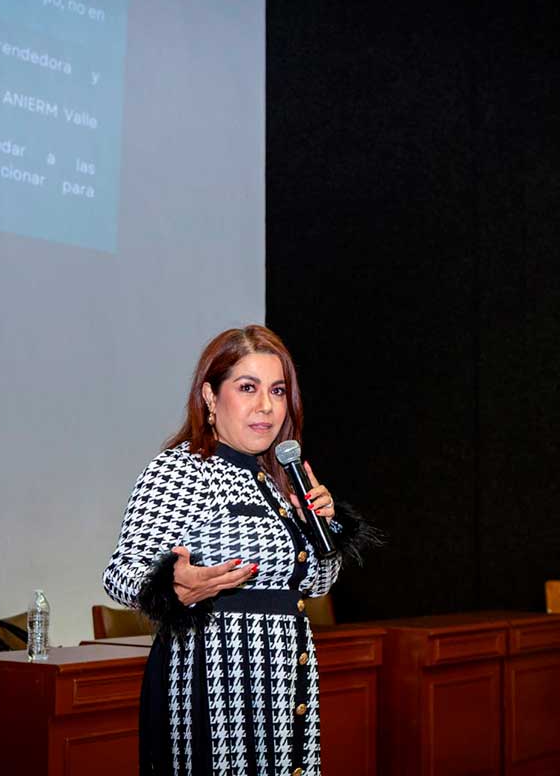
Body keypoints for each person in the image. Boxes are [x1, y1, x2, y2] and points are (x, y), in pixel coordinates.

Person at [103, 325, 376, 776]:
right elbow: (121, 572)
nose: (265, 406)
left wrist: (326, 530)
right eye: (247, 388)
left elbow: (313, 584)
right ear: (210, 397)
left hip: (284, 686)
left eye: (277, 391)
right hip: (212, 687)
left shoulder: (279, 480)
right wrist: (173, 587)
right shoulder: (182, 470)